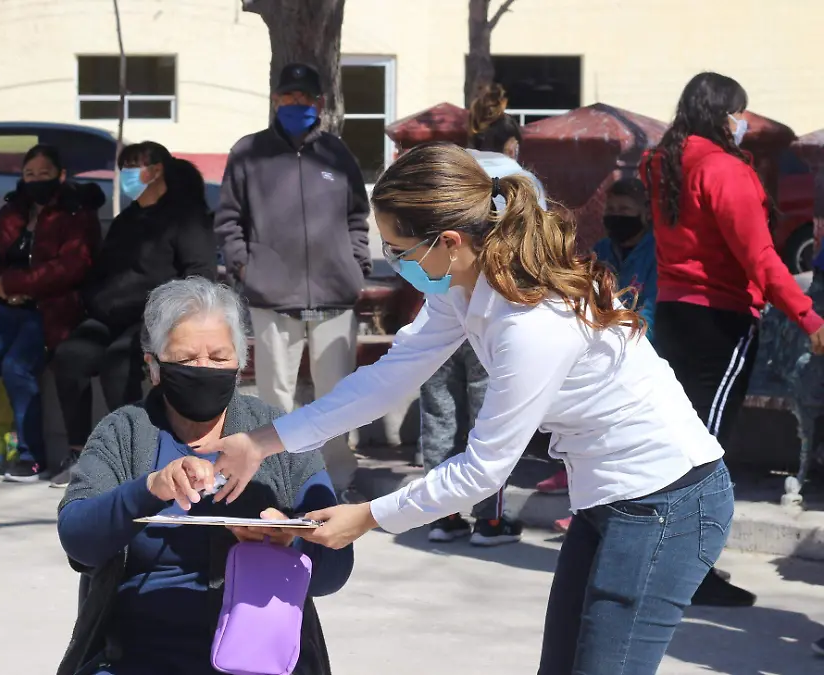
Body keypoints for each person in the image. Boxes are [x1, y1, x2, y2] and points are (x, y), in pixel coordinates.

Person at [201, 142, 735, 675]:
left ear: (450, 241)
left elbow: (484, 470)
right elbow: (386, 380)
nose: (395, 263)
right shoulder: (465, 285)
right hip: (607, 496)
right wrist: (262, 442)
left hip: (665, 502)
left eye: (400, 251)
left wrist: (368, 516)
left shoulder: (531, 321)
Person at [55, 277, 353, 675]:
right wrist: (150, 488)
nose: (204, 369)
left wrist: (292, 541)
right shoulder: (124, 432)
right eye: (187, 358)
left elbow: (334, 570)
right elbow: (78, 541)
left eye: (218, 357)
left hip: (259, 659)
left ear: (239, 363)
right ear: (154, 367)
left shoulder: (278, 435)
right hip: (139, 656)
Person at [642, 72, 824, 608]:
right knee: (703, 450)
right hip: (721, 319)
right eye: (739, 112)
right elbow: (761, 258)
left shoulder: (662, 162)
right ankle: (688, 569)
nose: (743, 123)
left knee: (679, 442)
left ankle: (660, 559)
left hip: (676, 312)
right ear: (725, 115)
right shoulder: (725, 169)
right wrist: (809, 318)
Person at [215, 62, 371, 501]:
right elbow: (229, 220)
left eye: (305, 97)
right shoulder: (248, 153)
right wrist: (247, 267)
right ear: (276, 99)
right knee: (274, 399)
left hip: (334, 297)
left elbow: (358, 215)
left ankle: (338, 480)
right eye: (289, 96)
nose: (297, 103)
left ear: (319, 103)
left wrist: (355, 263)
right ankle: (279, 483)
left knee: (337, 399)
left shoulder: (337, 154)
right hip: (273, 298)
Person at [51, 142, 216, 489]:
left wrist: (173, 318)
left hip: (157, 320)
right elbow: (102, 271)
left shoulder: (185, 216)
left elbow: (200, 274)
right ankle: (79, 453)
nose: (126, 175)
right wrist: (95, 299)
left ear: (156, 170)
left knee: (118, 364)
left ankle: (131, 457)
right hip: (109, 317)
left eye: (133, 166)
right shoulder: (127, 218)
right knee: (70, 357)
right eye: (123, 166)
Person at [420, 84, 542, 546]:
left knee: (439, 412)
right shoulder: (521, 181)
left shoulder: (449, 175)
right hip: (495, 313)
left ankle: (440, 515)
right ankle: (489, 519)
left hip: (438, 307)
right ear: (512, 144)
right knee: (487, 417)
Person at [0, 145, 100, 481]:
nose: (36, 181)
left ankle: (32, 457)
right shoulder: (13, 211)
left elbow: (71, 267)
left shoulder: (76, 213)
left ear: (61, 175)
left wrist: (14, 283)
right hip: (5, 310)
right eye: (29, 174)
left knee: (17, 367)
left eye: (44, 174)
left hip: (48, 312)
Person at [541, 176, 658, 531]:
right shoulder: (603, 250)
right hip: (601, 345)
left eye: (625, 210)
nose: (616, 216)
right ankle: (577, 482)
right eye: (612, 210)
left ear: (644, 214)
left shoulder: (656, 253)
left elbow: (650, 308)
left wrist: (626, 336)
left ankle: (595, 508)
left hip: (639, 348)